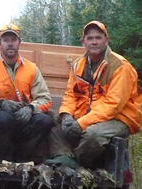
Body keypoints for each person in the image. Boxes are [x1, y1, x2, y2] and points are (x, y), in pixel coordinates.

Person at [44, 21, 142, 169]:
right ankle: (63, 156)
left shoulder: (120, 66)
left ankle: (78, 164)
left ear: (106, 40)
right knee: (51, 120)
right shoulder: (78, 65)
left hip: (120, 118)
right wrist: (66, 115)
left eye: (98, 38)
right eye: (90, 38)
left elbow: (113, 105)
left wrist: (81, 124)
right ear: (84, 42)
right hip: (88, 115)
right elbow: (71, 95)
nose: (94, 42)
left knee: (93, 135)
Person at [0, 23, 55, 163]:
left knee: (45, 121)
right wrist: (1, 104)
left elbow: (45, 98)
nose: (10, 44)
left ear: (19, 42)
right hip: (0, 122)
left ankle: (22, 157)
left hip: (25, 120)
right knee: (3, 119)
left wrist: (30, 108)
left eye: (13, 40)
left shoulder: (32, 68)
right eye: (6, 40)